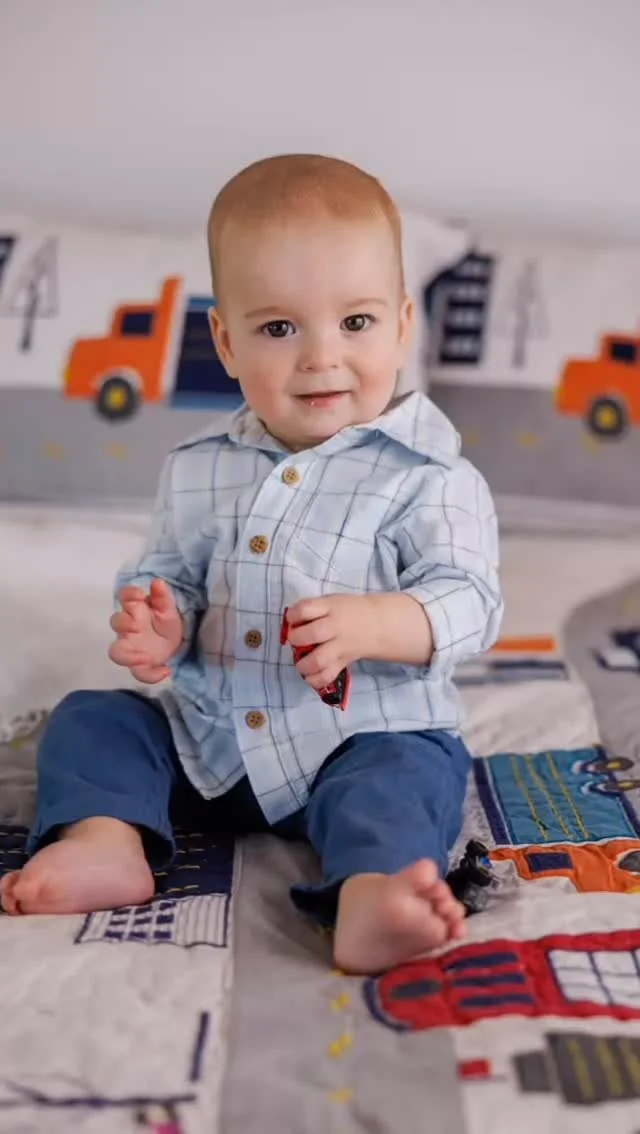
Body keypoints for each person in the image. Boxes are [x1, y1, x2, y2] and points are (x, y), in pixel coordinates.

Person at [0, 154, 503, 974]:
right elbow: (171, 572)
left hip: (358, 735)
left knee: (407, 777)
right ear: (227, 343)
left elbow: (471, 600)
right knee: (92, 718)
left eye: (356, 322)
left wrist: (379, 623)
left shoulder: (431, 477)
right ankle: (105, 840)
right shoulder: (197, 467)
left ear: (403, 325)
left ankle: (374, 893)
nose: (320, 356)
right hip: (213, 742)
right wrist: (160, 620)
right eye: (278, 329)